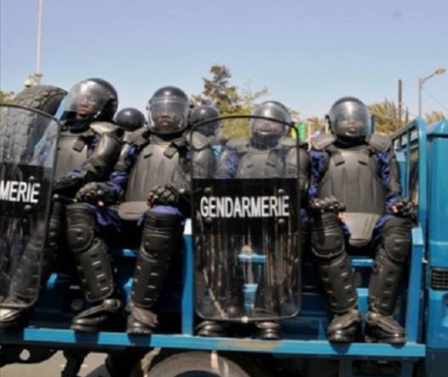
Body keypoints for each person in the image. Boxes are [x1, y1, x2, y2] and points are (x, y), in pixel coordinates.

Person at [74, 86, 215, 334]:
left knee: (162, 214)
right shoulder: (135, 141)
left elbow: (201, 184)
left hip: (171, 219)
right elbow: (118, 179)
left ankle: (142, 308)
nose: (166, 116)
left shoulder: (197, 145)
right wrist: (102, 190)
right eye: (161, 110)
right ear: (152, 111)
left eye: (172, 111)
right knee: (80, 212)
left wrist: (177, 192)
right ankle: (104, 301)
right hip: (126, 212)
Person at [0, 78, 124, 331]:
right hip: (43, 195)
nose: (85, 101)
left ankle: (20, 302)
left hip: (82, 199)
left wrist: (58, 184)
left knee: (54, 210)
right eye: (82, 96)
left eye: (93, 99)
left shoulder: (107, 133)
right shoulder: (56, 130)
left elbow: (94, 168)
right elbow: (36, 160)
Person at [195, 100, 308, 340]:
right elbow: (223, 174)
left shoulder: (291, 148)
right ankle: (223, 308)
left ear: (284, 126)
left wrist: (282, 193)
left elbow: (296, 179)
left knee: (283, 246)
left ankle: (267, 312)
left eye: (272, 121)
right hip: (238, 212)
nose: (266, 125)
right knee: (217, 239)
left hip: (274, 215)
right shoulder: (236, 148)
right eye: (262, 120)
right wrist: (220, 191)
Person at [308, 96, 414, 344]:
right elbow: (309, 193)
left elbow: (392, 192)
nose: (352, 123)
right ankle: (345, 315)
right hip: (335, 223)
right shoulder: (320, 151)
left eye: (357, 119)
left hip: (375, 223)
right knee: (324, 227)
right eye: (346, 119)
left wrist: (399, 206)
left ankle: (379, 317)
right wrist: (319, 205)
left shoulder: (379, 150)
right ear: (333, 121)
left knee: (399, 231)